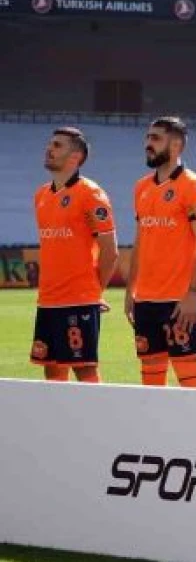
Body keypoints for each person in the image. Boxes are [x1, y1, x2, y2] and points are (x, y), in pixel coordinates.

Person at [126, 117, 196, 387]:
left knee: (188, 378)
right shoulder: (141, 187)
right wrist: (131, 291)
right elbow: (140, 243)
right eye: (147, 137)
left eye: (155, 138)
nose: (148, 144)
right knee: (150, 381)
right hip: (146, 300)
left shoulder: (194, 187)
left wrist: (193, 293)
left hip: (179, 301)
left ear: (176, 145)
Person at [30, 127, 118, 383]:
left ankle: (96, 411)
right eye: (50, 144)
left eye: (57, 145)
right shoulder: (41, 195)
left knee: (84, 368)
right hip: (47, 300)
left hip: (78, 300)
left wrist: (94, 292)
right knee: (51, 367)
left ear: (75, 156)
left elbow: (110, 251)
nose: (49, 149)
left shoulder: (91, 193)